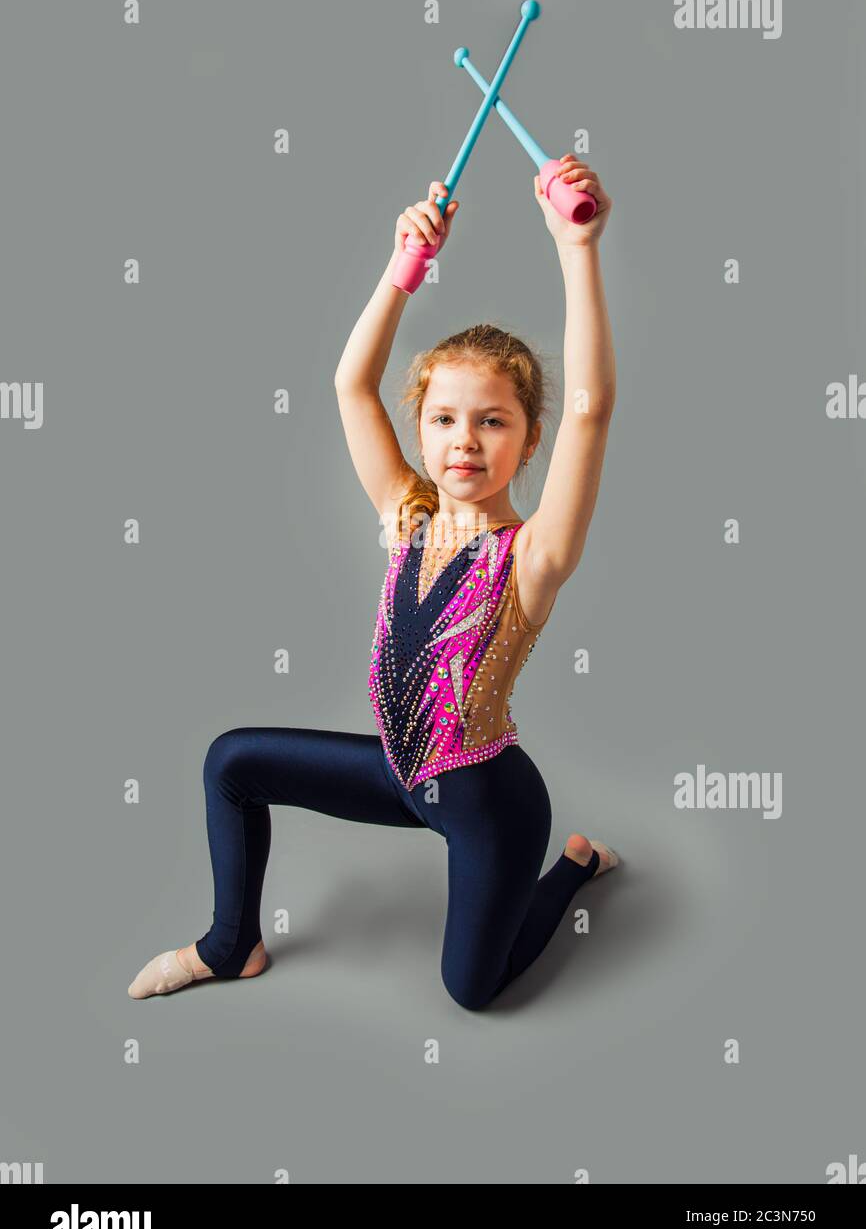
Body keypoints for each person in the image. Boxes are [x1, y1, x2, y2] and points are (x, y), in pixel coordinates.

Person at [128, 154, 620, 1009]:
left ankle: (572, 868)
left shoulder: (533, 558)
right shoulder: (409, 516)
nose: (465, 440)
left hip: (484, 802)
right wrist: (405, 268)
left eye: (493, 422)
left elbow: (591, 408)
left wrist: (576, 248)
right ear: (422, 432)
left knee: (475, 990)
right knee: (231, 762)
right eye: (443, 420)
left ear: (529, 441)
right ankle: (230, 943)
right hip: (400, 773)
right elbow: (351, 385)